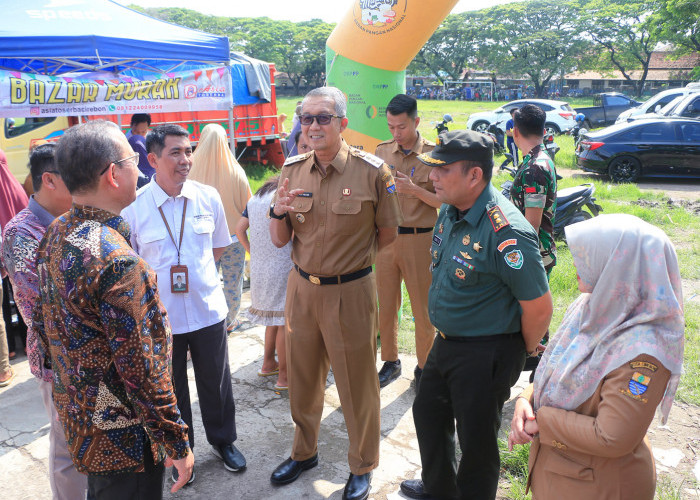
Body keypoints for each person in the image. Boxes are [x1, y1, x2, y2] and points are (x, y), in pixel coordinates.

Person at [33, 120, 193, 498]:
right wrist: (175, 441)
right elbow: (142, 369)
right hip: (124, 442)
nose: (140, 169)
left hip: (80, 419)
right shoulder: (118, 262)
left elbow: (44, 325)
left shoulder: (57, 231)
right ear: (112, 174)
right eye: (133, 159)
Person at [398, 130, 552, 500]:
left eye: (442, 170)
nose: (432, 176)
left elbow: (539, 305)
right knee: (428, 415)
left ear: (474, 176)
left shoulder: (506, 231)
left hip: (486, 353)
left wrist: (522, 350)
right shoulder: (452, 209)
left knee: (477, 443)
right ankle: (440, 489)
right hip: (448, 343)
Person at [269, 86, 402, 500]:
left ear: (343, 123)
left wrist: (351, 266)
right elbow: (279, 239)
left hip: (350, 292)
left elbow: (388, 233)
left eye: (322, 118)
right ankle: (304, 451)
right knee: (303, 380)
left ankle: (362, 465)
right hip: (302, 290)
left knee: (357, 384)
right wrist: (277, 210)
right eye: (306, 118)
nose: (312, 126)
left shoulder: (372, 171)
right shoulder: (292, 170)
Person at [508, 214, 685, 500]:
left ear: (622, 266)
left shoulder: (645, 350)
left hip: (599, 486)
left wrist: (542, 420)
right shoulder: (592, 307)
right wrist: (524, 401)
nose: (578, 264)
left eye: (590, 256)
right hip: (563, 477)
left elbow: (612, 436)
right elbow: (554, 371)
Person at [121, 124, 246, 485]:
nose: (185, 160)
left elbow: (219, 246)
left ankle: (224, 442)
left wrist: (197, 271)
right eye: (175, 153)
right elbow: (131, 264)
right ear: (152, 159)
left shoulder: (208, 197)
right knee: (171, 388)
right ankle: (182, 453)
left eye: (188, 151)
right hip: (163, 319)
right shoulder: (135, 210)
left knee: (217, 382)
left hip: (207, 308)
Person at [1, 143, 87, 498]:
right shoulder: (21, 234)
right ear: (49, 180)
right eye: (73, 175)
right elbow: (41, 310)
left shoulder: (76, 216)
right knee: (68, 447)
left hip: (90, 354)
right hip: (58, 362)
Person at [374, 94, 439, 388]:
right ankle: (390, 361)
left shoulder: (435, 155)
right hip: (386, 241)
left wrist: (415, 190)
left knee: (422, 309)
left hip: (420, 241)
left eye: (401, 127)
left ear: (416, 121)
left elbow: (446, 201)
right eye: (391, 127)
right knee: (385, 306)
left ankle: (425, 367)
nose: (396, 133)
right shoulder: (382, 152)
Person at [510, 104, 558, 379]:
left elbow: (532, 223)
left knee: (529, 315)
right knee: (536, 311)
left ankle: (538, 367)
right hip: (538, 251)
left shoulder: (534, 168)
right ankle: (538, 367)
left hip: (533, 253)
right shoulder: (541, 158)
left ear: (515, 131)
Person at [189, 123, 252, 333]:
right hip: (234, 239)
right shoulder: (237, 172)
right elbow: (248, 207)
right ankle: (230, 321)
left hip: (202, 239)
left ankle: (207, 322)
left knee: (204, 282)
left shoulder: (190, 171)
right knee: (233, 283)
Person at [235, 175, 292, 391]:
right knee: (284, 322)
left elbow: (239, 229)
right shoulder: (284, 196)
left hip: (260, 267)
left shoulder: (256, 197)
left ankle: (268, 363)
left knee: (273, 319)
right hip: (283, 264)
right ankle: (285, 377)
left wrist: (253, 251)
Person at [0, 147, 29, 360]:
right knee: (21, 293)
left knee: (4, 301)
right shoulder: (15, 185)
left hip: (3, 253)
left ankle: (9, 347)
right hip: (20, 251)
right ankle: (27, 342)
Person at [126, 113, 154, 182]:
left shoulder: (152, 138)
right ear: (131, 125)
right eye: (136, 132)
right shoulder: (125, 140)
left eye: (143, 132)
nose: (140, 135)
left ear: (148, 128)